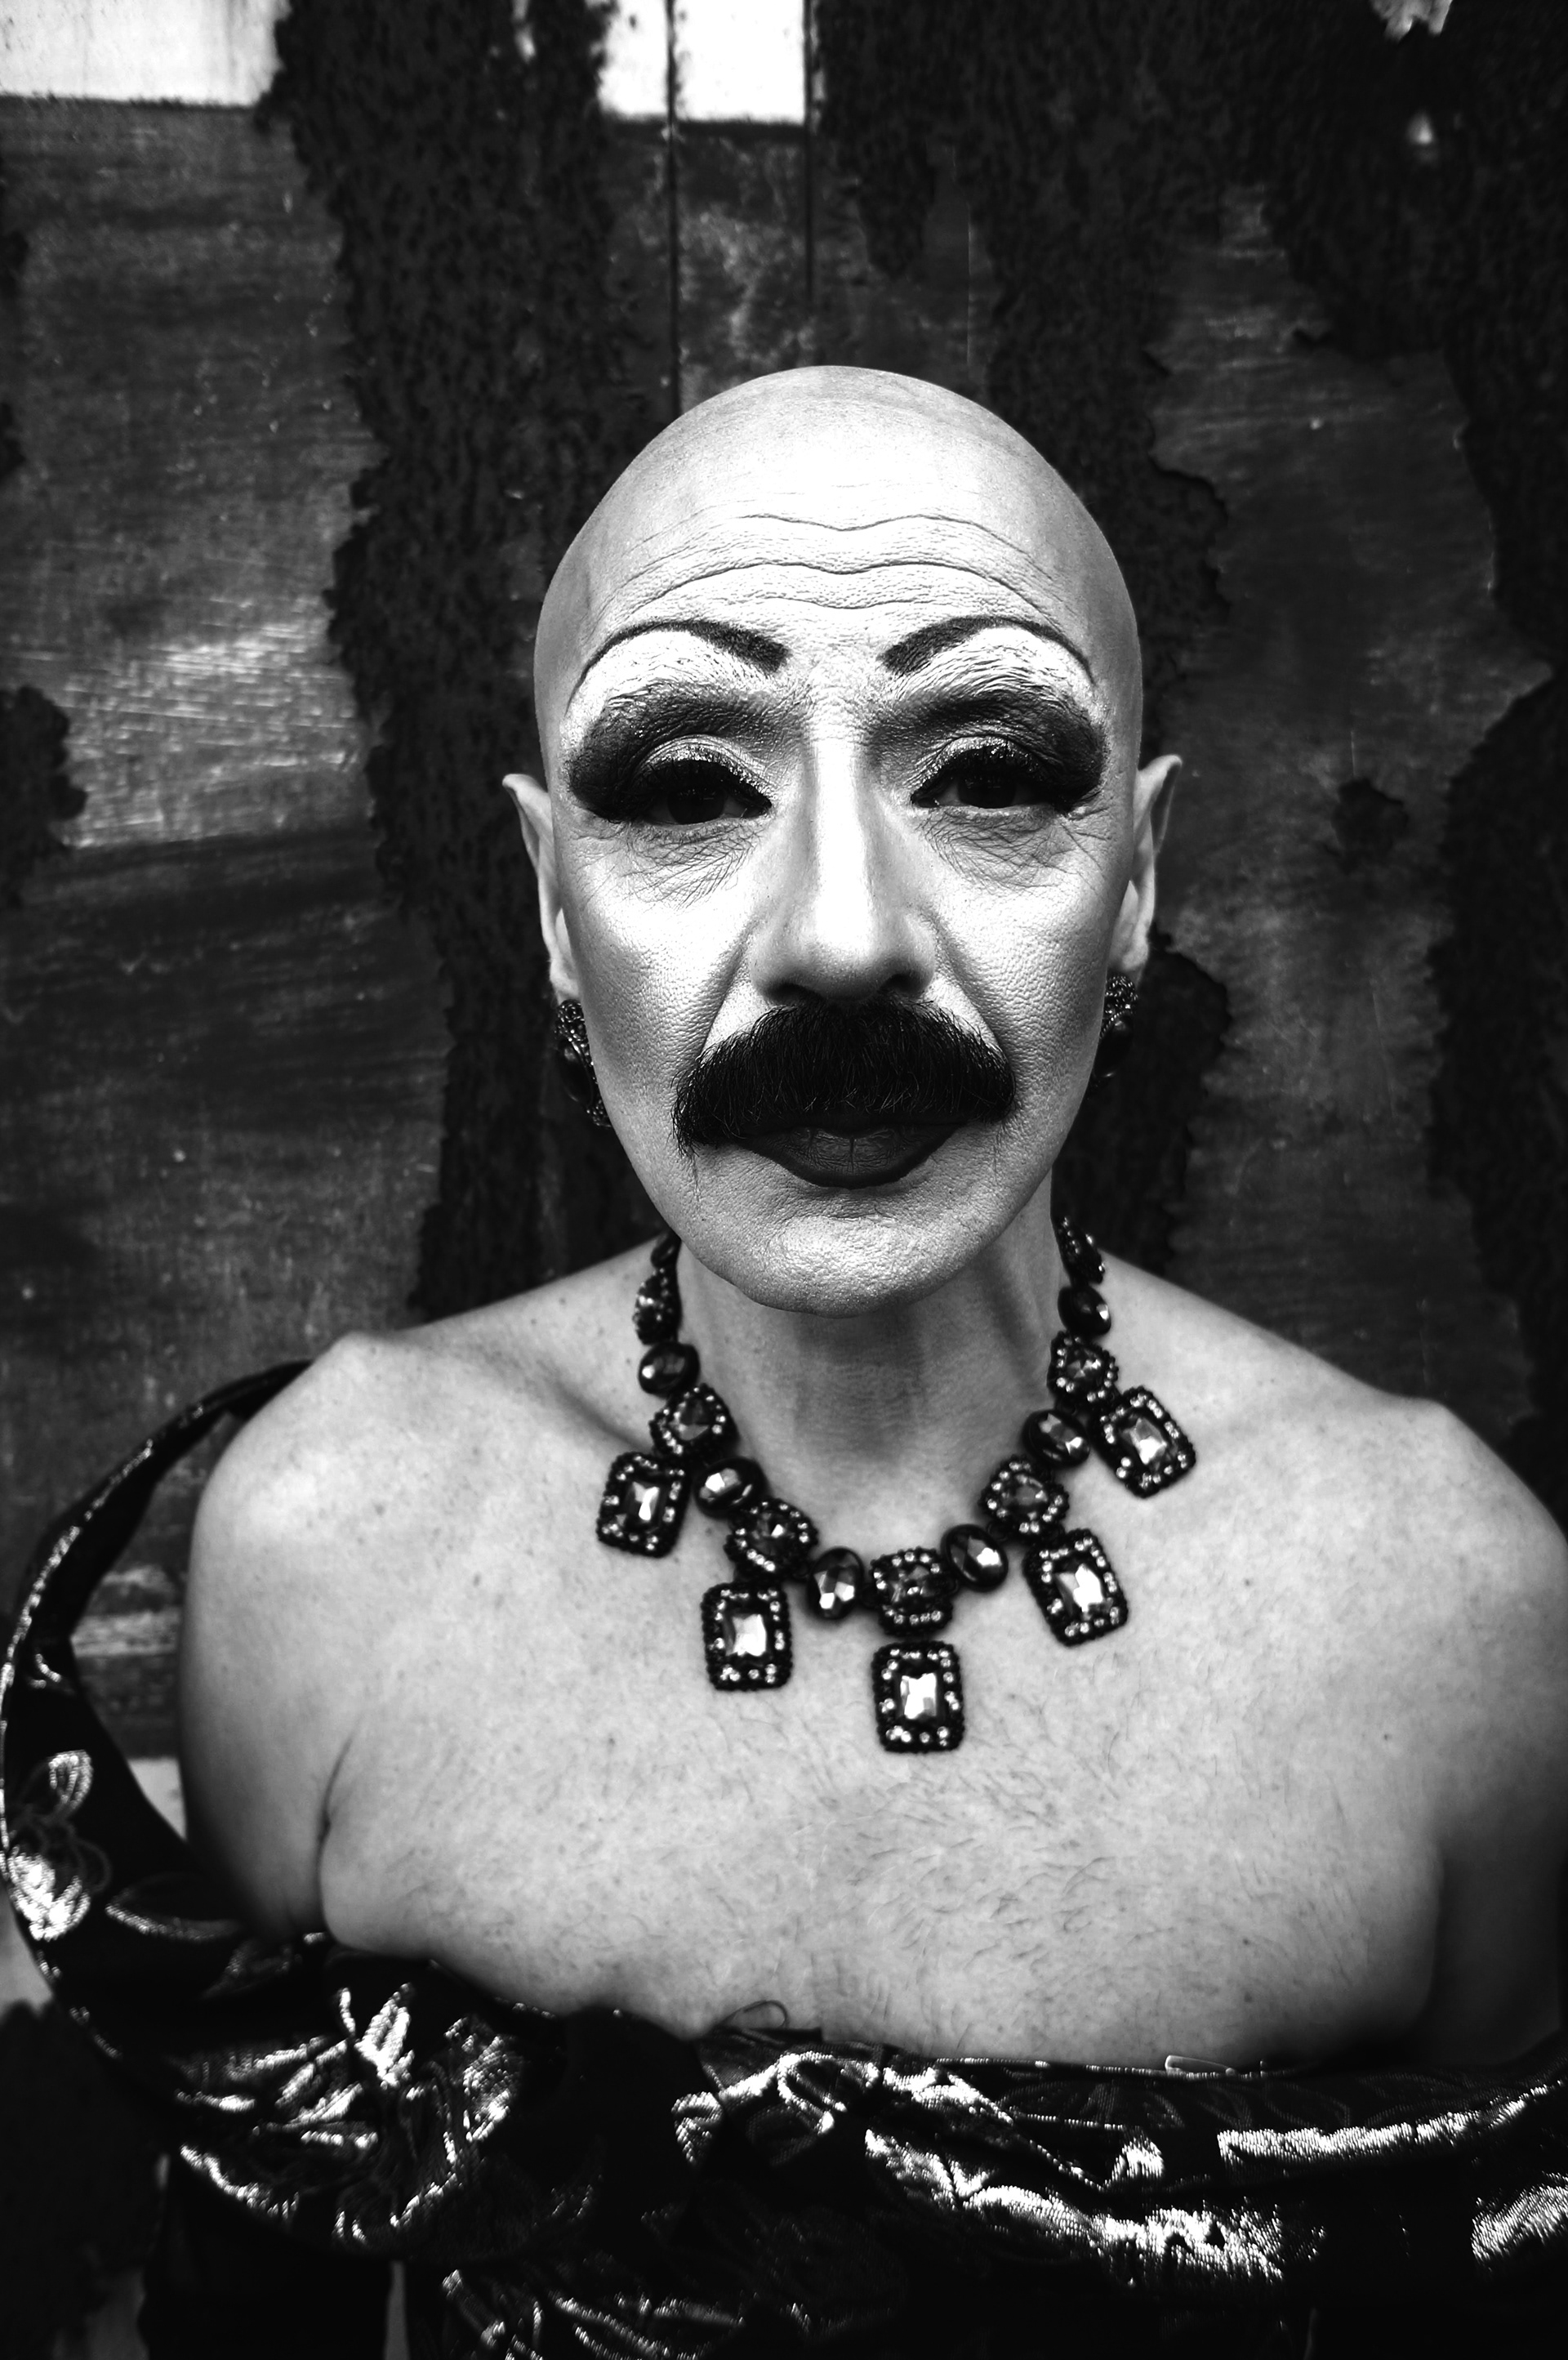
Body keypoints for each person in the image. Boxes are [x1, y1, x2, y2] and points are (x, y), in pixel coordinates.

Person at [7, 365, 1568, 2356]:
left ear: (1138, 884)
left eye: (988, 770)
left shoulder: (1451, 1607)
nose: (841, 935)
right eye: (685, 788)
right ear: (551, 906)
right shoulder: (328, 1544)